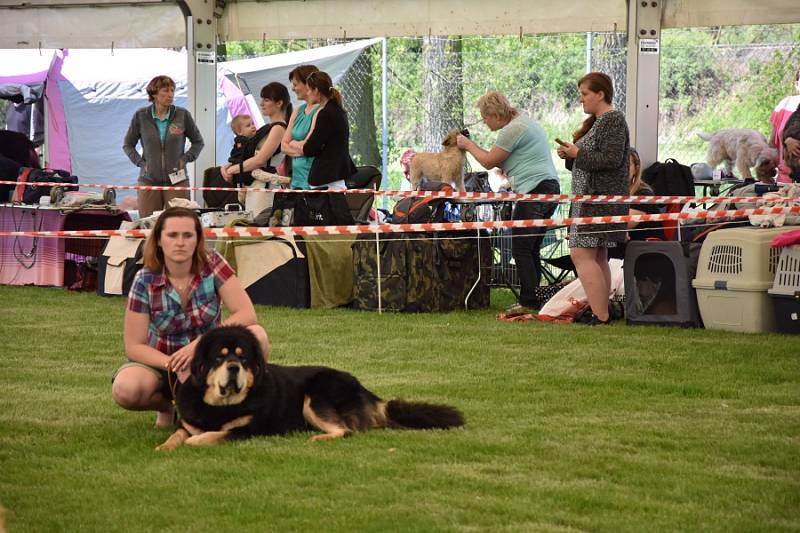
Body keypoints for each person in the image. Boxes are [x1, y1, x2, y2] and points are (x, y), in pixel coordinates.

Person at [111, 207, 270, 428]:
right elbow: (134, 347)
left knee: (258, 335)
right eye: (172, 235)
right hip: (163, 362)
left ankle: (246, 407)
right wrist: (174, 364)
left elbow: (246, 313)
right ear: (158, 240)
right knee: (126, 389)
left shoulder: (213, 263)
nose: (180, 242)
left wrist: (199, 347)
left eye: (188, 235)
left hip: (211, 355)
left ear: (198, 240)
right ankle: (169, 407)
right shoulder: (144, 280)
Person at [456, 91, 560, 314]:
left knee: (521, 248)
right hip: (548, 189)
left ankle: (529, 301)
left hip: (533, 191)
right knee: (531, 249)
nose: (485, 122)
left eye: (485, 118)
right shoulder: (523, 121)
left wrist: (467, 144)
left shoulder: (512, 129)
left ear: (495, 114)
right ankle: (534, 298)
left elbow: (487, 161)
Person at [557, 72, 629, 325]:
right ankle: (601, 311)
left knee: (581, 254)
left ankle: (600, 314)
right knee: (597, 257)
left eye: (585, 94)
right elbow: (589, 161)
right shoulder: (600, 122)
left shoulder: (613, 120)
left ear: (600, 94)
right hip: (589, 200)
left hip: (596, 201)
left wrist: (578, 152)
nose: (581, 100)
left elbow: (611, 159)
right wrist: (571, 156)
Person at [123, 75, 204, 218]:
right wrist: (141, 163)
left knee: (179, 222)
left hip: (177, 179)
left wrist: (184, 159)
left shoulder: (182, 115)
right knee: (148, 226)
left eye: (173, 90)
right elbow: (128, 145)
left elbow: (198, 142)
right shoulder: (141, 116)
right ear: (154, 93)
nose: (171, 94)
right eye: (166, 90)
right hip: (148, 179)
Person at [289, 70, 356, 190]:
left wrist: (294, 144)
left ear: (316, 91)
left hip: (327, 177)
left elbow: (310, 148)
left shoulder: (325, 114)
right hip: (336, 173)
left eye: (309, 90)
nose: (308, 93)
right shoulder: (339, 111)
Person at [221, 82, 292, 186]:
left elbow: (260, 160)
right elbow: (248, 155)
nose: (261, 103)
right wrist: (229, 166)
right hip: (255, 183)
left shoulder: (278, 129)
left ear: (279, 103)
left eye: (266, 100)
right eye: (262, 99)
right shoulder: (268, 128)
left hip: (264, 185)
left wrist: (232, 169)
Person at [609, 147, 665, 259]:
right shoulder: (609, 193)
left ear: (636, 168)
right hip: (620, 246)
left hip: (644, 250)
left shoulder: (643, 193)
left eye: (626, 165)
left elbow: (623, 223)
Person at [281, 65, 321, 189]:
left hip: (314, 177)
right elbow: (283, 146)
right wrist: (301, 148)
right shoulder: (298, 111)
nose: (293, 89)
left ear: (308, 84)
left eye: (296, 84)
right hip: (297, 177)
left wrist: (293, 144)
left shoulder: (322, 110)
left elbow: (309, 146)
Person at [769, 67, 800, 184]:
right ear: (796, 83)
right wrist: (787, 141)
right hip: (785, 180)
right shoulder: (784, 105)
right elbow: (772, 143)